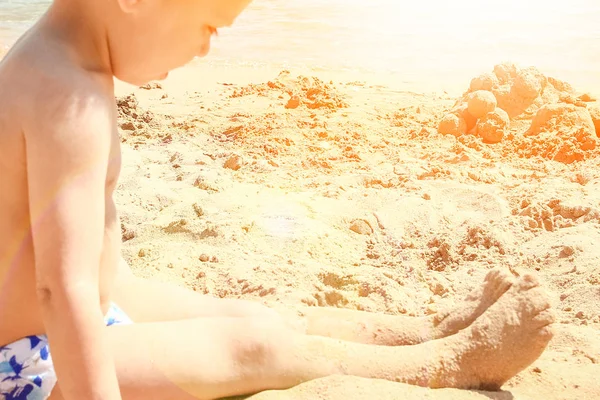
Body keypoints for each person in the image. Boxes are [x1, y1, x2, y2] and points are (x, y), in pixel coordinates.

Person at [0, 0, 554, 399]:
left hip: (81, 313)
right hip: (31, 361)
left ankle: (426, 330)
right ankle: (445, 362)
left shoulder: (61, 65)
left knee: (258, 314)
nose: (205, 48)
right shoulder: (67, 101)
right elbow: (61, 288)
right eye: (208, 25)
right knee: (251, 347)